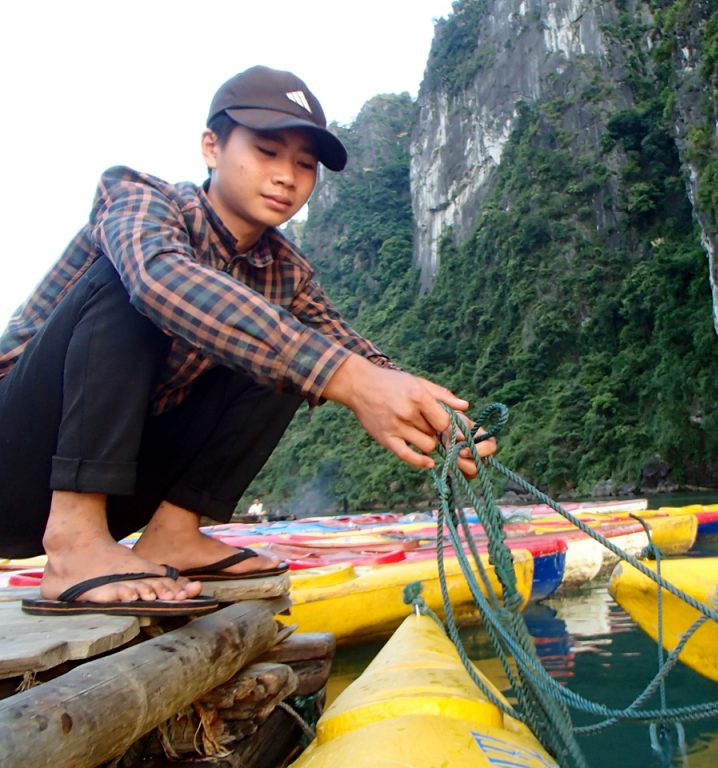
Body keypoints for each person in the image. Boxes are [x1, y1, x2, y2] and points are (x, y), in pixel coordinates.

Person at [0, 65, 494, 616]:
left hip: (123, 479)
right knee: (137, 285)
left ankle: (173, 535)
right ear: (212, 147)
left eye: (304, 165)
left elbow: (358, 359)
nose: (287, 176)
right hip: (18, 463)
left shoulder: (284, 273)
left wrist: (436, 416)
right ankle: (76, 541)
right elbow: (157, 277)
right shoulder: (139, 199)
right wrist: (349, 378)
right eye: (266, 152)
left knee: (296, 344)